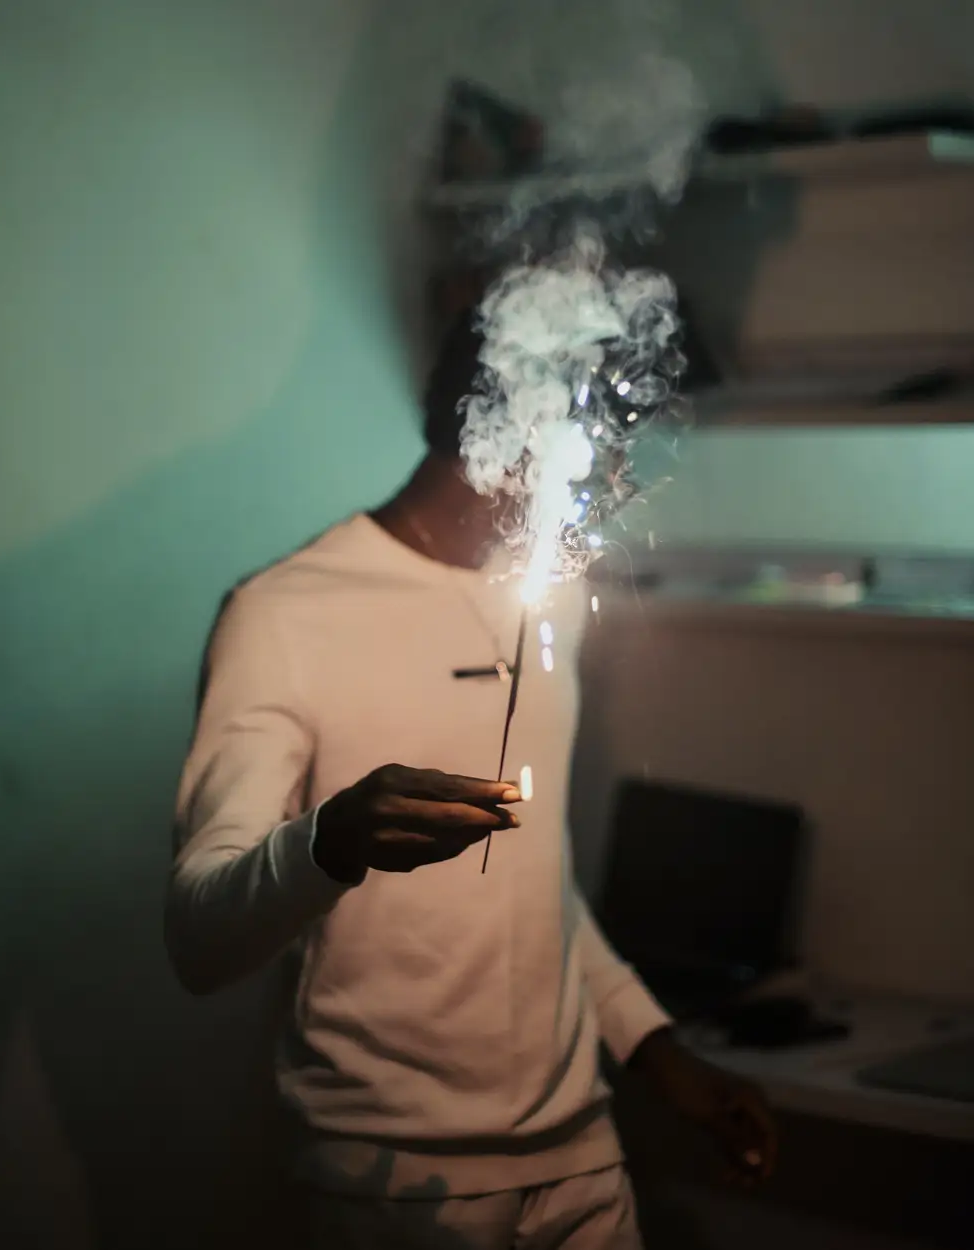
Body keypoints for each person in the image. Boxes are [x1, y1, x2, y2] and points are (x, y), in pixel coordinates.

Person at [165, 307, 777, 1249]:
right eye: (621, 448)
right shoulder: (284, 615)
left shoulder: (552, 595)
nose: (629, 486)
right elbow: (199, 938)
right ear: (529, 424)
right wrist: (330, 843)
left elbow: (539, 884)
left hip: (584, 1164)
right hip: (390, 1185)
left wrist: (654, 1049)